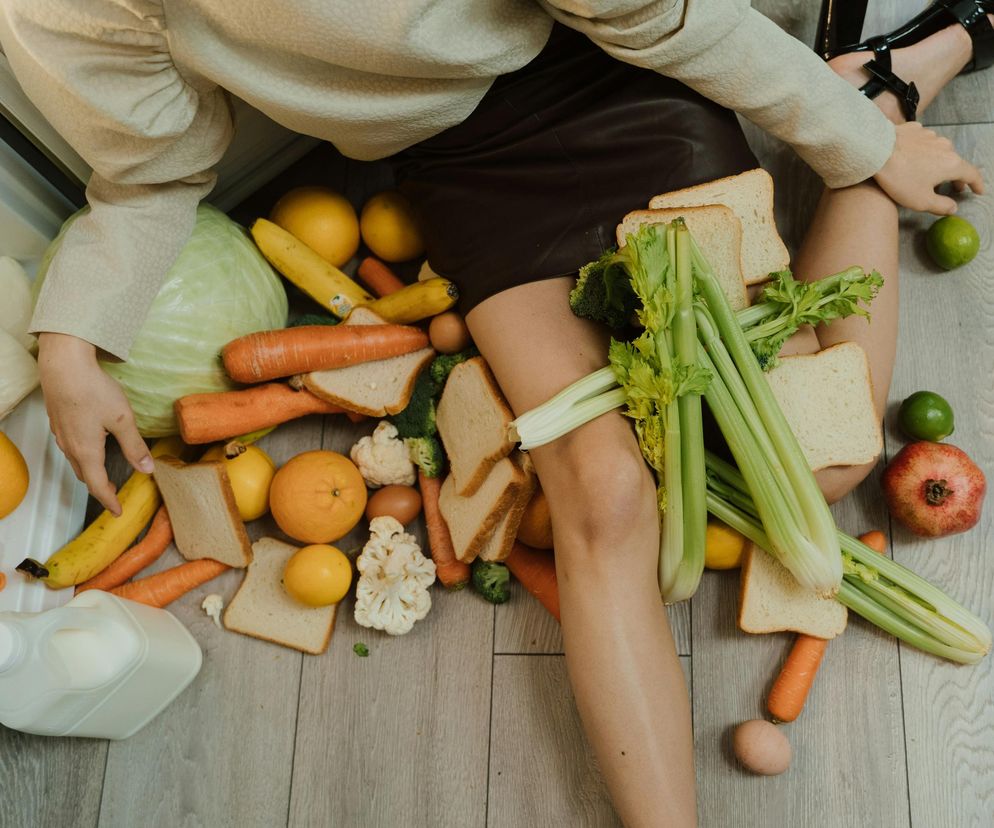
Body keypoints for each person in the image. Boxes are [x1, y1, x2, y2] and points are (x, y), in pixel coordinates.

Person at [0, 2, 988, 825]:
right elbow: (149, 165)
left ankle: (874, 101)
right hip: (463, 166)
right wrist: (70, 339)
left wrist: (848, 140)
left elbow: (648, 13)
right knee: (598, 494)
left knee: (828, 469)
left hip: (610, 74)